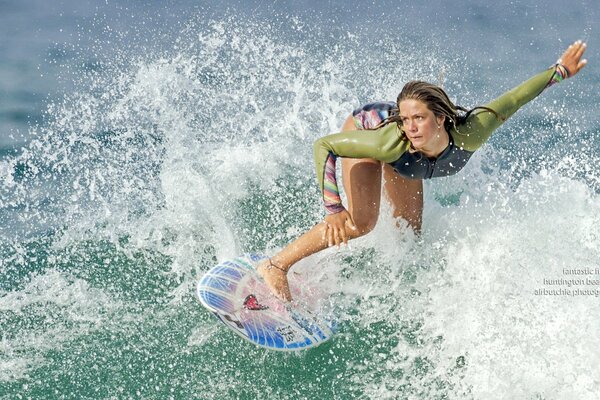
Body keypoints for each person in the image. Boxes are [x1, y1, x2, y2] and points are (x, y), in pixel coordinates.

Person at [257, 40, 588, 302]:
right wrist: (333, 208)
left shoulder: (472, 131)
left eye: (419, 118)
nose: (411, 127)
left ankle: (322, 277)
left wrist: (559, 71)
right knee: (361, 222)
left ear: (440, 118)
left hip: (407, 160)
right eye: (406, 119)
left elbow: (515, 98)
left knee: (408, 235)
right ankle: (276, 266)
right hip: (368, 127)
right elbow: (325, 146)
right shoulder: (391, 141)